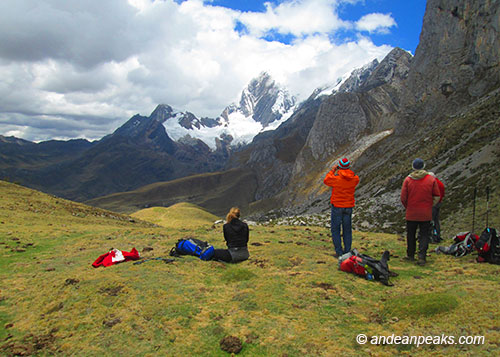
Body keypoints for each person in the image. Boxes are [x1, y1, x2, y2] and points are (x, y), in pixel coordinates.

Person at [400, 158, 441, 266]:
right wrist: (429, 205)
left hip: (411, 212)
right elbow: (437, 195)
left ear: (413, 167)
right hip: (425, 213)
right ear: (423, 166)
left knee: (411, 234)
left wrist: (408, 207)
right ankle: (422, 256)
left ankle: (410, 255)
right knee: (424, 234)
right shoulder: (431, 179)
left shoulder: (408, 180)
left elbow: (403, 197)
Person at [323, 158, 360, 258]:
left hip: (337, 206)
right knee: (347, 229)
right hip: (348, 207)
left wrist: (333, 170)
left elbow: (326, 180)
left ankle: (339, 252)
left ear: (340, 167)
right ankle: (347, 252)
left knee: (335, 229)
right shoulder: (354, 179)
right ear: (348, 166)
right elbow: (355, 178)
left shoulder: (336, 179)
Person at [429, 172, 445, 241]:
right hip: (438, 203)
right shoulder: (440, 183)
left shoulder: (434, 184)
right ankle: (437, 235)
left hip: (433, 204)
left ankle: (432, 236)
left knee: (430, 220)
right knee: (436, 220)